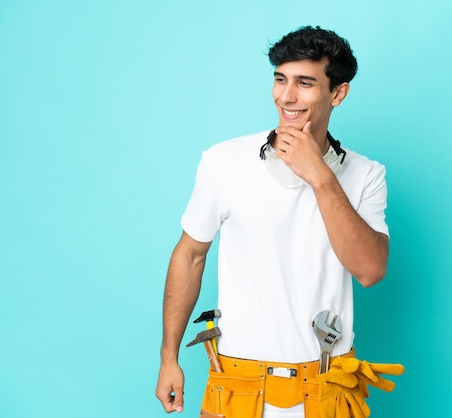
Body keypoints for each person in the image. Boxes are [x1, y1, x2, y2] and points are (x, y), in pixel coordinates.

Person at [155, 26, 403, 418]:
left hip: (326, 387)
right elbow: (190, 256)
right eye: (280, 79)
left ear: (337, 93)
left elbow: (370, 270)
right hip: (237, 385)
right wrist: (169, 356)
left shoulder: (366, 174)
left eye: (305, 83)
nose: (286, 97)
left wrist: (320, 176)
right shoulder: (223, 162)